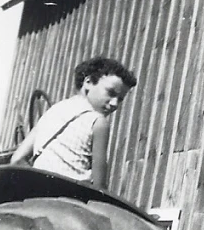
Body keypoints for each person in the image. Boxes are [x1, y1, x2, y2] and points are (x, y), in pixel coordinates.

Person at [10, 56, 137, 189]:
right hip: (72, 195)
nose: (114, 103)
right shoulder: (97, 122)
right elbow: (99, 186)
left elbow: (17, 159)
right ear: (88, 82)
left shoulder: (53, 111)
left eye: (120, 99)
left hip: (36, 189)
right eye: (110, 93)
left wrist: (41, 182)